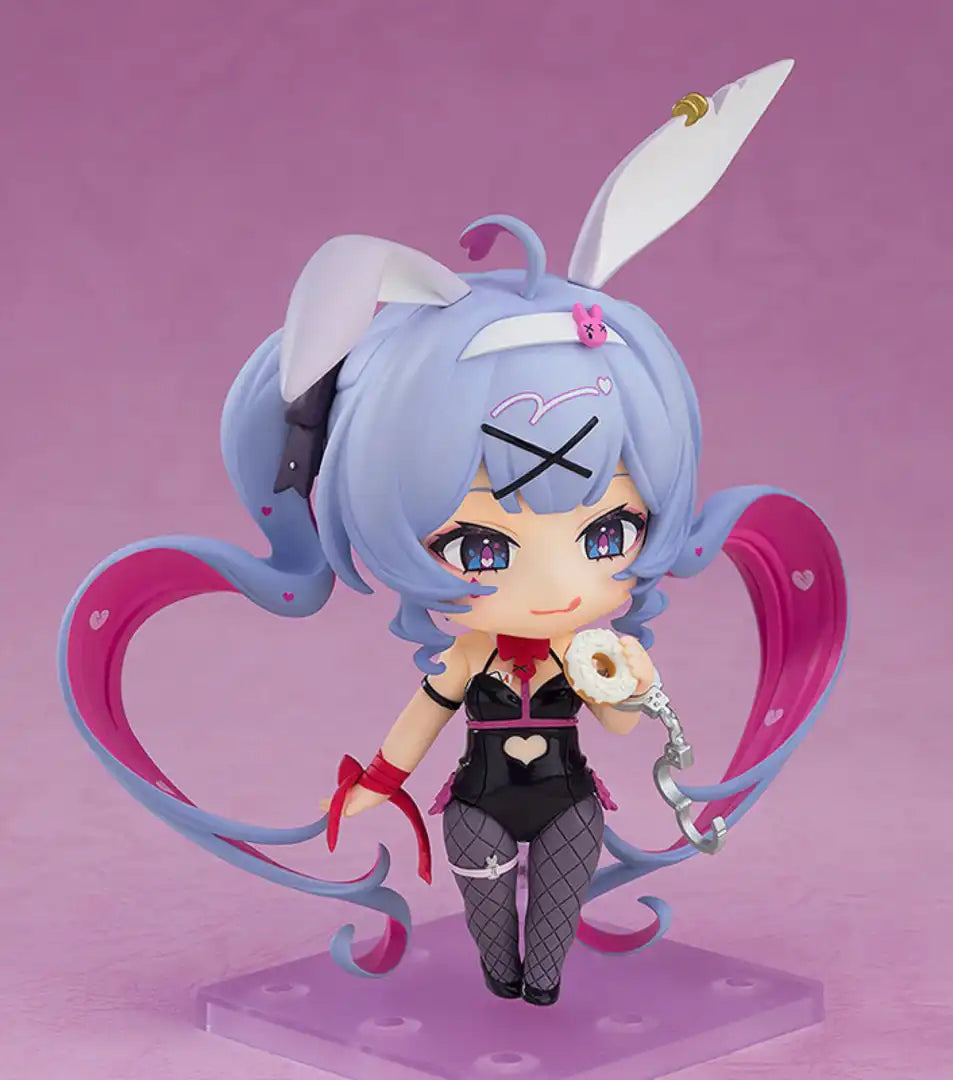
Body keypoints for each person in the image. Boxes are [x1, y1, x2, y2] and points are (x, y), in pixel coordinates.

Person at [57, 58, 847, 1006]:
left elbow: (619, 722)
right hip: (475, 801)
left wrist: (631, 686)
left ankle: (541, 987)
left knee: (553, 916)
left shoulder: (584, 651)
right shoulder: (470, 654)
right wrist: (375, 781)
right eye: (483, 548)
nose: (555, 586)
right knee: (488, 917)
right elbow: (423, 719)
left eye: (607, 535)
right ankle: (503, 979)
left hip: (568, 802)